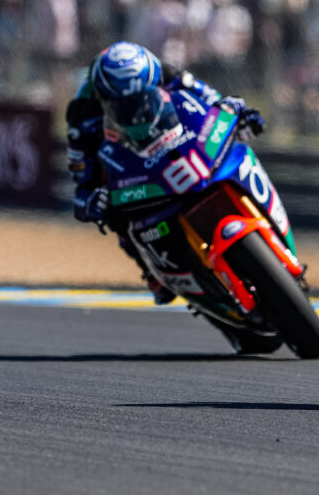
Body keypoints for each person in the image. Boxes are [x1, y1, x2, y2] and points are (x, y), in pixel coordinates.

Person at [66, 41, 264, 304]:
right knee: (114, 213)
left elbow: (212, 98)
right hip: (127, 168)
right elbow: (81, 182)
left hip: (174, 141)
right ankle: (150, 270)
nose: (136, 105)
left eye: (144, 94)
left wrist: (239, 111)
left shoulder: (164, 72)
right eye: (126, 102)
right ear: (104, 97)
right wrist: (91, 200)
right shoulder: (82, 116)